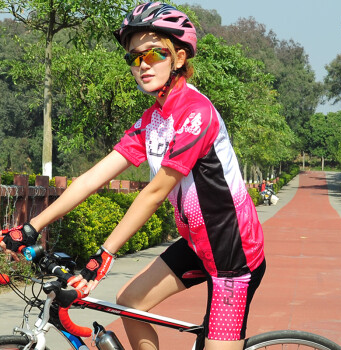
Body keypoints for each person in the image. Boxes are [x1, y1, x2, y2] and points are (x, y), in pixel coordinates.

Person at [0, 3, 265, 349]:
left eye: (153, 54)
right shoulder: (152, 121)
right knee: (129, 305)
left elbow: (155, 192)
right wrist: (30, 228)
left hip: (233, 254)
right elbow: (93, 177)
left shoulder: (197, 113)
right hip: (198, 245)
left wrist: (104, 255)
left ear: (179, 58)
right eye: (134, 58)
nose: (142, 65)